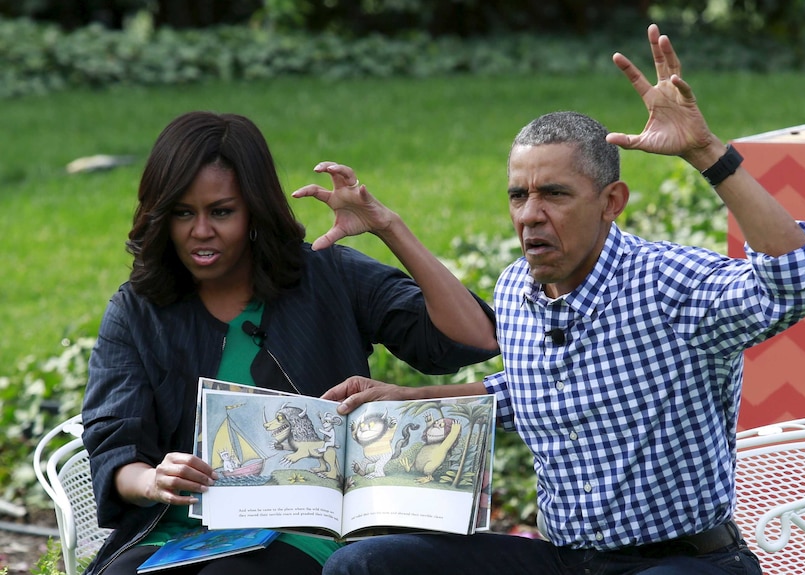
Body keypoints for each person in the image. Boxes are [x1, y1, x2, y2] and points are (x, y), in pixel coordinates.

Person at [319, 23, 805, 575]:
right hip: (567, 561)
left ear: (612, 201)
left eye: (555, 194)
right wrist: (413, 398)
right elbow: (537, 391)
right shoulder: (517, 288)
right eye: (519, 195)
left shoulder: (669, 282)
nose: (529, 214)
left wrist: (708, 153)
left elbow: (796, 282)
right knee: (367, 565)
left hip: (684, 560)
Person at [80, 111, 499, 575]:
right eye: (183, 212)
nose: (200, 231)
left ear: (255, 209)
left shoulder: (324, 275)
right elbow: (113, 446)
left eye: (221, 211)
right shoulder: (138, 309)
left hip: (302, 535)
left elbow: (472, 339)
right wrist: (154, 479)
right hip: (171, 531)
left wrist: (388, 227)